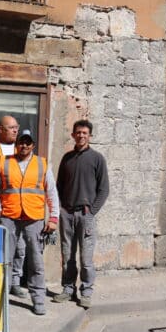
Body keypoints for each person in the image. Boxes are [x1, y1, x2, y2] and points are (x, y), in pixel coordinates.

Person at [0, 129, 59, 315]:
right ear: (16, 144)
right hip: (9, 216)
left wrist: (53, 217)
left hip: (33, 218)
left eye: (28, 142)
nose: (24, 146)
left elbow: (52, 192)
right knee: (5, 258)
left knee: (36, 260)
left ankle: (38, 300)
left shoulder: (42, 164)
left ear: (33, 145)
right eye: (21, 142)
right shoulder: (4, 162)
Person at [53, 120, 109, 309]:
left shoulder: (97, 158)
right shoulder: (67, 158)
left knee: (86, 258)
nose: (81, 136)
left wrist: (91, 213)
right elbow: (58, 186)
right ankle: (68, 289)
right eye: (78, 132)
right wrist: (60, 208)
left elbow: (104, 190)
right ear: (73, 135)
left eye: (85, 133)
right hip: (67, 214)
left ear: (90, 135)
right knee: (67, 254)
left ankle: (86, 291)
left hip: (86, 215)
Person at [0, 116, 28, 299]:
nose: (15, 131)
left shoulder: (24, 146)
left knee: (20, 247)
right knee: (0, 248)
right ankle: (0, 283)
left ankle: (15, 283)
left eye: (16, 127)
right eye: (11, 127)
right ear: (0, 129)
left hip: (19, 206)